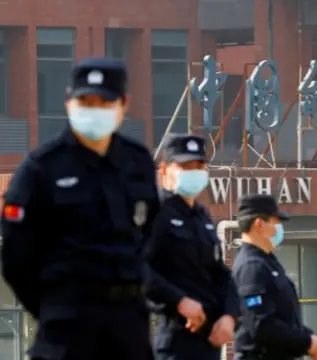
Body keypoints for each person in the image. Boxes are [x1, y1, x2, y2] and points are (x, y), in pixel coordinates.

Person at [1, 57, 159, 359]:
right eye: (85, 101)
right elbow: (16, 257)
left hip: (128, 326)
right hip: (68, 324)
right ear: (68, 102)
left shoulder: (137, 162)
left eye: (104, 102)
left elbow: (149, 236)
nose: (93, 110)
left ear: (123, 104)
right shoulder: (41, 169)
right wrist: (53, 307)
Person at [144, 133, 240, 360]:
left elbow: (221, 274)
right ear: (164, 170)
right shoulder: (155, 214)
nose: (194, 172)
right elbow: (138, 268)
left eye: (199, 166)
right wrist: (179, 300)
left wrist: (230, 316)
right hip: (177, 339)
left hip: (210, 342)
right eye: (185, 166)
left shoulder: (201, 216)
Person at [231, 194, 317, 360]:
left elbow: (284, 317)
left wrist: (308, 338)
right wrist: (306, 342)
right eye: (276, 223)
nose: (279, 229)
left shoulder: (267, 262)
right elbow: (260, 324)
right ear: (259, 224)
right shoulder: (252, 266)